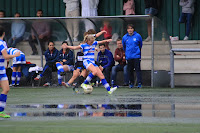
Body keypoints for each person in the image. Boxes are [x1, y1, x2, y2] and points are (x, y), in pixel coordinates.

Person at [0, 26, 20, 118]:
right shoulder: (2, 43)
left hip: (2, 70)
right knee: (6, 89)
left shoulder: (3, 43)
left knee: (6, 89)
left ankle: (1, 111)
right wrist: (15, 55)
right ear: (3, 34)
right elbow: (5, 56)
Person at [122, 24, 143, 88]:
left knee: (137, 70)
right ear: (127, 30)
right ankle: (131, 83)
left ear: (133, 29)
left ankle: (139, 83)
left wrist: (137, 52)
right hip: (129, 56)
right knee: (130, 70)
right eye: (129, 29)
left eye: (131, 28)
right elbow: (124, 46)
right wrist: (127, 54)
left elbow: (140, 45)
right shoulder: (125, 37)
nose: (130, 30)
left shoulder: (138, 36)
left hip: (136, 56)